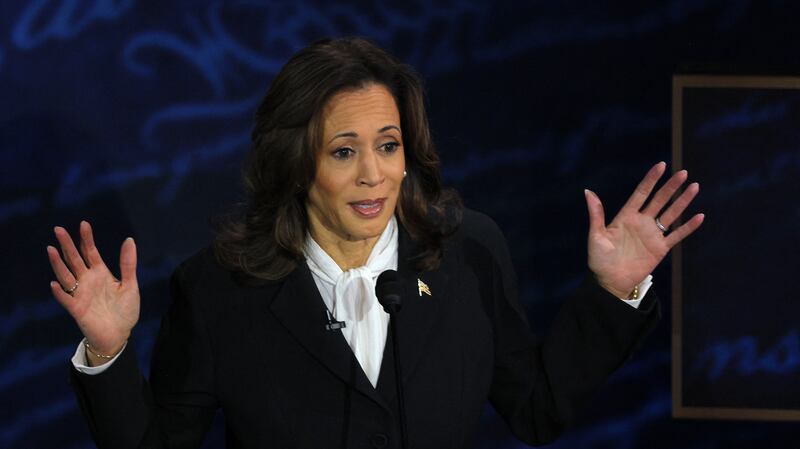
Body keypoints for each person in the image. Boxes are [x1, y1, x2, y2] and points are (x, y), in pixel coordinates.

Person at [47, 37, 703, 449]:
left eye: (388, 145)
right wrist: (107, 353)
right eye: (343, 151)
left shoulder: (469, 252)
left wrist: (615, 292)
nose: (374, 173)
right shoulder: (219, 288)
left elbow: (536, 411)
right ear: (297, 162)